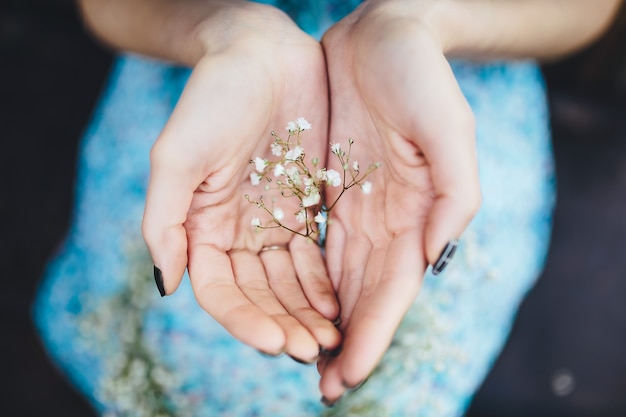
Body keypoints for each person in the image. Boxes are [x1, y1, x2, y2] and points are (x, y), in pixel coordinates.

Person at [34, 0, 622, 415]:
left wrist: (420, 19)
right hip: (212, 89)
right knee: (177, 331)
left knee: (396, 325)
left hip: (425, 97)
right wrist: (228, 30)